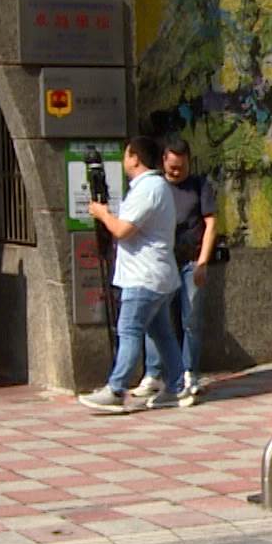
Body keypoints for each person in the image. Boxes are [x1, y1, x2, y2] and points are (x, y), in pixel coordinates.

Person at [77, 135, 184, 413]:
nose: (125, 160)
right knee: (162, 334)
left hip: (144, 277)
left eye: (126, 155)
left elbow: (123, 229)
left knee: (129, 330)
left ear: (135, 158)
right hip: (156, 275)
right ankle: (175, 386)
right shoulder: (151, 187)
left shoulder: (148, 188)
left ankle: (116, 389)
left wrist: (102, 214)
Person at [161, 136, 217, 406]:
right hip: (163, 261)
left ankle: (190, 372)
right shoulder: (156, 187)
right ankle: (161, 374)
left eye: (180, 167)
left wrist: (204, 261)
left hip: (192, 259)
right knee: (162, 320)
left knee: (191, 318)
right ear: (163, 162)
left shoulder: (199, 185)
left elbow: (210, 224)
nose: (176, 172)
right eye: (172, 167)